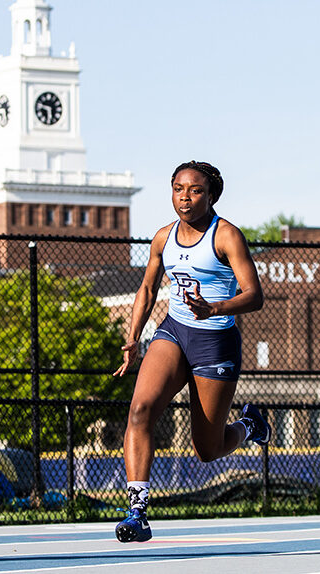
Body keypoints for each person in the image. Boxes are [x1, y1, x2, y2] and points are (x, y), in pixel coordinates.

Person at [112, 161, 269, 543]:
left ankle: (250, 426)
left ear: (211, 195)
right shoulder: (163, 238)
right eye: (178, 188)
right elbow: (148, 289)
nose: (185, 196)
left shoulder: (227, 236)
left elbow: (255, 295)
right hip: (175, 331)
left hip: (214, 340)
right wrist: (133, 337)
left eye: (195, 190)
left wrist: (214, 308)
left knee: (207, 449)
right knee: (140, 410)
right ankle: (137, 513)